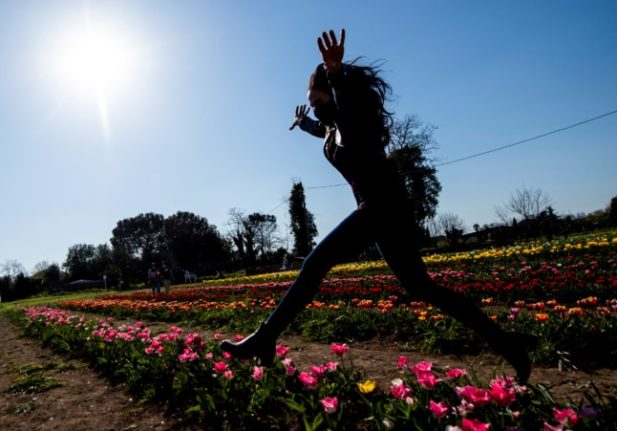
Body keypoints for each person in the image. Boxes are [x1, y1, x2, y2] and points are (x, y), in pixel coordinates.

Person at [221, 29, 537, 382]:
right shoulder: (331, 128)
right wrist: (304, 122)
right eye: (312, 103)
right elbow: (325, 130)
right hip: (380, 211)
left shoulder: (355, 120)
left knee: (314, 264)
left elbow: (346, 116)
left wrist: (337, 73)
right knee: (423, 288)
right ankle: (510, 345)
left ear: (336, 96)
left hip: (382, 207)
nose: (316, 108)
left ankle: (265, 339)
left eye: (319, 101)